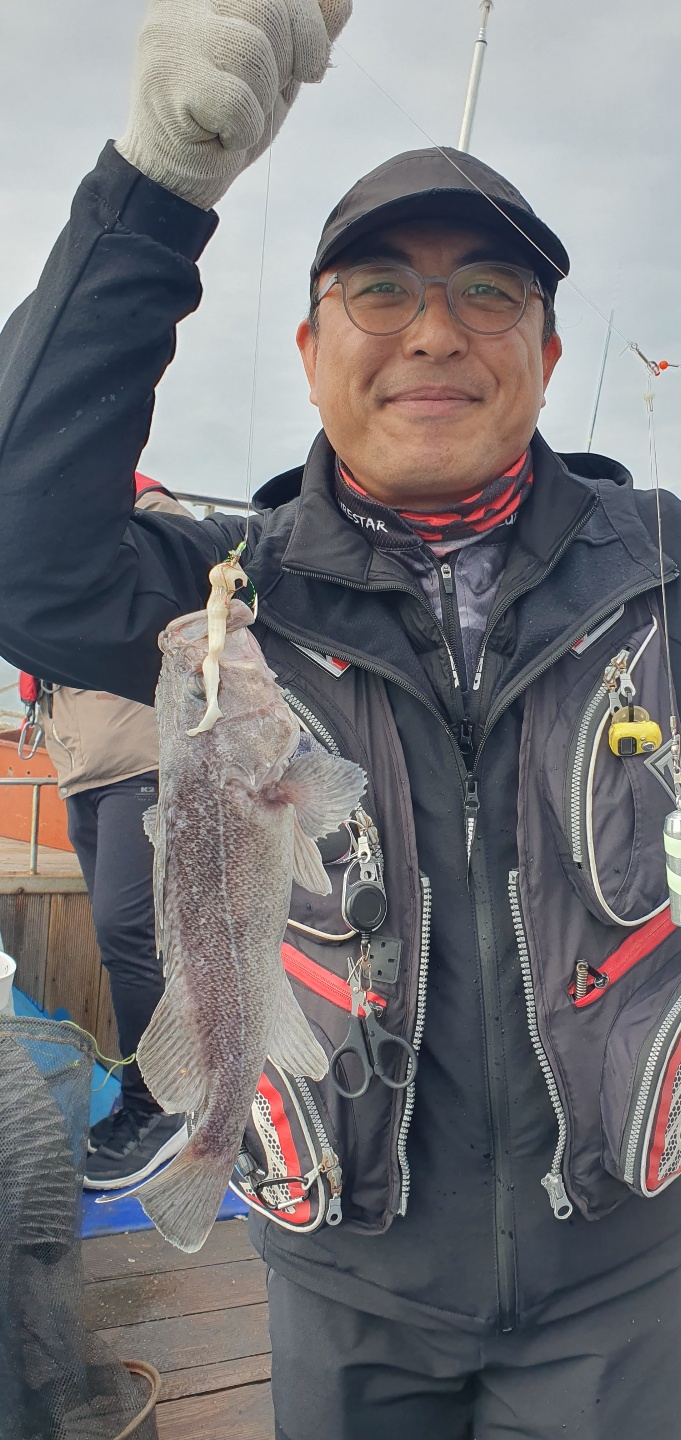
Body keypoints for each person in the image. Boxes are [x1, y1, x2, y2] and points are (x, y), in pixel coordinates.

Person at [1, 3, 681, 1436]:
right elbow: (21, 552)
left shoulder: (661, 570)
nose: (434, 330)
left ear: (549, 352)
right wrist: (157, 184)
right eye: (380, 291)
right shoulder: (229, 593)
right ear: (311, 351)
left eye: (488, 291)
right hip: (341, 1280)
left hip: (631, 1278)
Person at [21, 477, 192, 1190]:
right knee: (122, 938)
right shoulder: (38, 526)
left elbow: (186, 599)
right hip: (82, 770)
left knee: (134, 935)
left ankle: (163, 1110)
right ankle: (155, 1098)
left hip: (144, 760)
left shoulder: (145, 508)